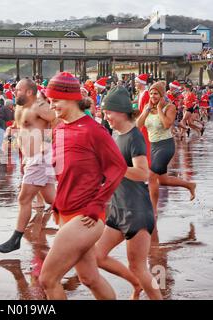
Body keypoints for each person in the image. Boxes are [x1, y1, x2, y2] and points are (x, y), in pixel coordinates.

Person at [38, 72, 127, 300]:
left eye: (55, 100)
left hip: (87, 217)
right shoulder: (59, 129)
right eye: (49, 101)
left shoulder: (93, 130)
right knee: (89, 277)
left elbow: (117, 168)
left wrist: (97, 204)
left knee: (47, 279)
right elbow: (64, 174)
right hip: (66, 213)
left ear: (71, 99)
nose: (52, 105)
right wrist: (57, 204)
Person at [96, 86, 163, 300]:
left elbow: (143, 173)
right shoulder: (118, 135)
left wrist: (115, 168)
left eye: (109, 112)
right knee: (97, 256)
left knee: (139, 267)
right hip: (118, 210)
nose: (106, 117)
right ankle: (136, 284)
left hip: (136, 212)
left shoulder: (134, 137)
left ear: (122, 112)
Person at [0, 78, 56, 254]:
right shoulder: (20, 107)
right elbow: (21, 128)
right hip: (31, 159)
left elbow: (57, 120)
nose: (15, 91)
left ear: (29, 92)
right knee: (52, 200)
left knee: (24, 199)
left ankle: (16, 239)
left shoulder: (39, 106)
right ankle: (78, 218)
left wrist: (48, 143)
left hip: (41, 157)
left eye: (19, 89)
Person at [137, 81, 196, 217]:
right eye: (151, 93)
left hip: (166, 146)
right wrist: (146, 110)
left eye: (156, 93)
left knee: (151, 176)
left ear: (162, 94)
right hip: (154, 146)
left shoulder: (170, 107)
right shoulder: (147, 107)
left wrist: (158, 109)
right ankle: (190, 185)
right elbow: (138, 125)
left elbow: (166, 125)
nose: (153, 96)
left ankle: (153, 210)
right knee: (162, 179)